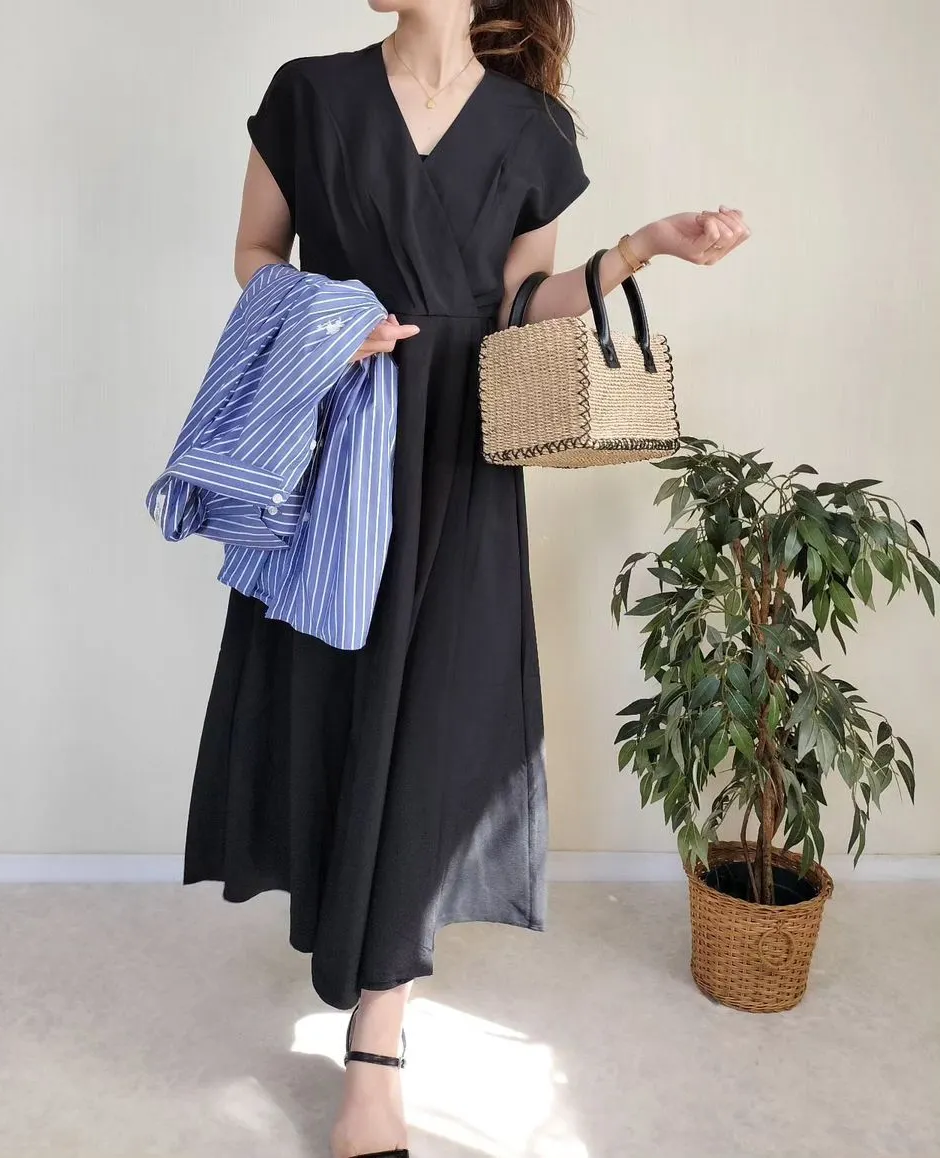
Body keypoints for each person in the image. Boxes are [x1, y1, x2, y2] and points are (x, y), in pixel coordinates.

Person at [183, 2, 750, 1155]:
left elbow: (513, 309)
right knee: (332, 698)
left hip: (459, 452)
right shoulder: (309, 93)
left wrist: (640, 248)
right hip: (339, 434)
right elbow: (255, 255)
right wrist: (328, 319)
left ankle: (376, 1044)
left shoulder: (531, 129)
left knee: (432, 717)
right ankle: (343, 939)